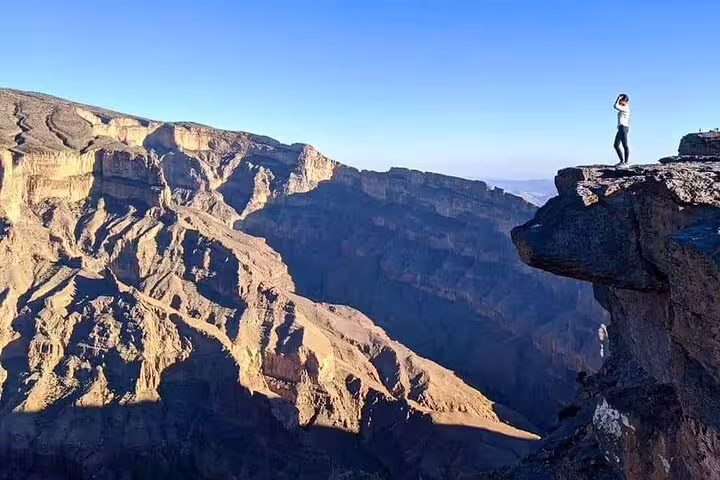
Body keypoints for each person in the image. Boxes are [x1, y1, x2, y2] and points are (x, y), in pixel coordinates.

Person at [613, 94, 630, 166]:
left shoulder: (626, 107)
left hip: (623, 127)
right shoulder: (623, 107)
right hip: (620, 128)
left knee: (625, 145)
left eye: (621, 100)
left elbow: (615, 106)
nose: (619, 101)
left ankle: (626, 162)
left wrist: (617, 98)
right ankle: (622, 161)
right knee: (616, 145)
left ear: (625, 101)